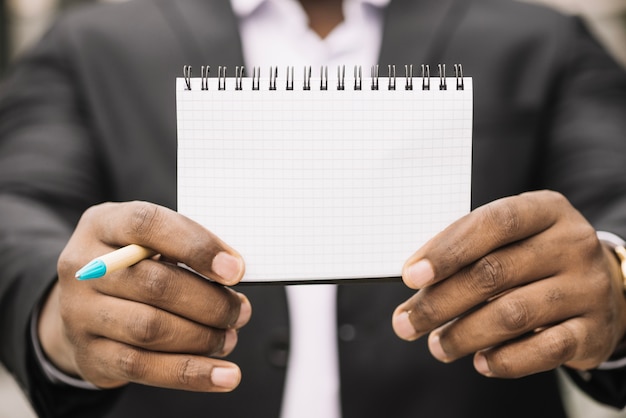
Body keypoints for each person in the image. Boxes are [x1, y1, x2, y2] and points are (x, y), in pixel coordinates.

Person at [1, 0, 626, 417]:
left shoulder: (538, 38)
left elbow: (613, 198)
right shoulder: (95, 43)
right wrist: (59, 316)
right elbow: (15, 206)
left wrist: (616, 277)